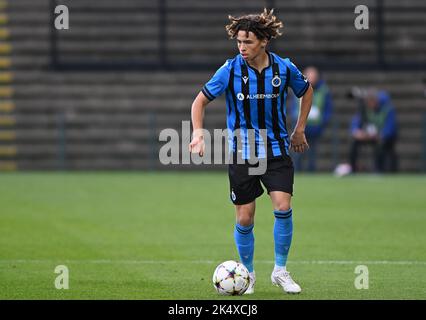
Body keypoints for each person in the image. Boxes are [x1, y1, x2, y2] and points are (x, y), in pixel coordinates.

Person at [189, 9, 313, 294]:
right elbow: (199, 102)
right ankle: (248, 273)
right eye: (239, 42)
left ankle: (280, 271)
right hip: (243, 152)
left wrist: (300, 129)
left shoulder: (283, 68)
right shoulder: (230, 69)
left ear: (264, 41)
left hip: (277, 150)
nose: (242, 48)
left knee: (283, 207)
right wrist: (197, 133)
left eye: (248, 42)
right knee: (245, 218)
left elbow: (306, 91)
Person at [290, 66, 333, 171]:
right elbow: (293, 107)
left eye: (313, 76)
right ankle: (298, 169)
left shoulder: (324, 90)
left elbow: (327, 108)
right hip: (300, 125)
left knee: (312, 151)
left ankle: (311, 170)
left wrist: (322, 121)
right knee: (298, 151)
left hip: (315, 127)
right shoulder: (298, 88)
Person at [349, 88, 398, 173]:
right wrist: (356, 132)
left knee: (381, 145)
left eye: (372, 101)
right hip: (368, 135)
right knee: (354, 144)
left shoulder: (388, 108)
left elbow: (390, 127)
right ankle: (353, 169)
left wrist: (380, 135)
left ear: (376, 101)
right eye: (368, 102)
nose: (370, 104)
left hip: (383, 137)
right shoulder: (364, 108)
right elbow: (356, 121)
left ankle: (379, 170)